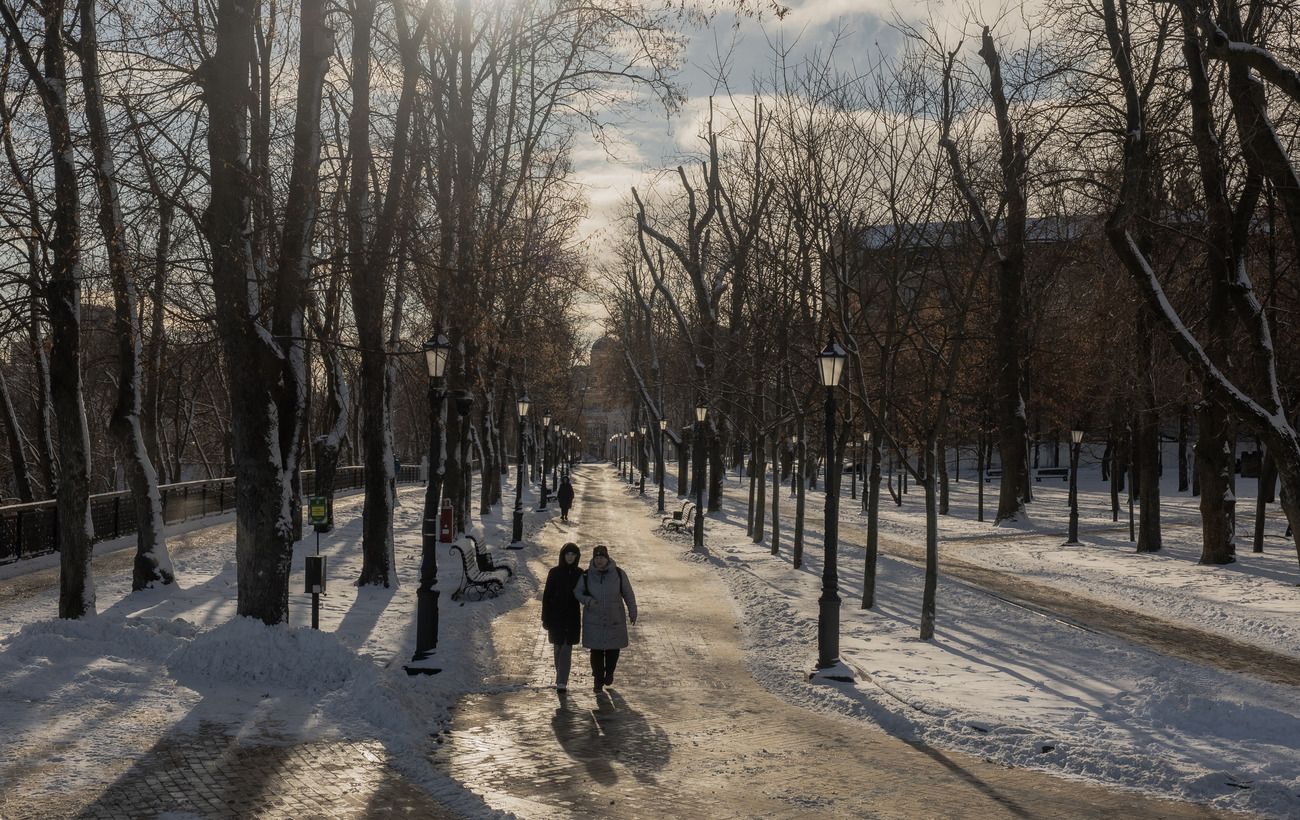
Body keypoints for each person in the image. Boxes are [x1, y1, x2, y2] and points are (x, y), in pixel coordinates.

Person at [574, 544, 637, 692]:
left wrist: (632, 611)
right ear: (593, 559)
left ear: (607, 558)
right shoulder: (586, 575)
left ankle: (609, 673)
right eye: (597, 557)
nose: (599, 560)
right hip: (593, 619)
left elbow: (628, 593)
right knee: (596, 651)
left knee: (613, 650)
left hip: (614, 617)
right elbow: (578, 592)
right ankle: (597, 678)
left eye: (602, 557)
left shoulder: (619, 574)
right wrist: (588, 601)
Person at [542, 542, 585, 693]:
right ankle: (560, 674)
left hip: (572, 617)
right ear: (563, 555)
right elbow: (546, 596)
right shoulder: (554, 572)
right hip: (555, 617)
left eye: (573, 555)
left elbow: (585, 594)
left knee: (567, 648)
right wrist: (545, 618)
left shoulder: (580, 573)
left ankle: (561, 681)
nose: (570, 557)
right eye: (568, 554)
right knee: (558, 648)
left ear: (577, 557)